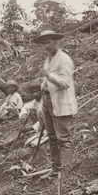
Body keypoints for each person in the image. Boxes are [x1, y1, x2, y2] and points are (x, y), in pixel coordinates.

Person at [34, 29, 77, 174]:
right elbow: (48, 79)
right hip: (48, 99)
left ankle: (67, 171)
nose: (46, 46)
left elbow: (65, 82)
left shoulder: (64, 59)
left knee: (63, 137)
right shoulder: (48, 59)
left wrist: (49, 76)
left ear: (56, 42)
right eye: (44, 43)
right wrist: (43, 83)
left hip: (60, 101)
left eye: (48, 42)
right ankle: (56, 168)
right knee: (51, 137)